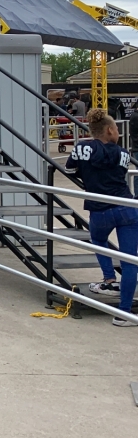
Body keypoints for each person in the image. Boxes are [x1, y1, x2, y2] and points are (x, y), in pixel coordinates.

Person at [64, 107, 138, 327]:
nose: (118, 132)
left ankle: (108, 278)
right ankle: (124, 313)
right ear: (108, 130)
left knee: (98, 239)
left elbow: (69, 171)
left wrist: (85, 176)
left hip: (98, 209)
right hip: (126, 207)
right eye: (115, 128)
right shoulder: (122, 152)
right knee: (130, 260)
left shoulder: (81, 148)